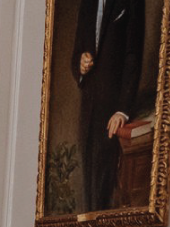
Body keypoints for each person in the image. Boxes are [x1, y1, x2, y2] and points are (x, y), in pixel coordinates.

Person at [70, 0, 145, 213]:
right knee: (89, 183)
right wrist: (80, 65)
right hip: (88, 109)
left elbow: (133, 56)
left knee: (108, 184)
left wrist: (123, 110)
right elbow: (77, 53)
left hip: (114, 112)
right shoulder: (87, 4)